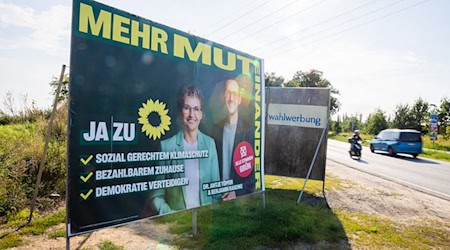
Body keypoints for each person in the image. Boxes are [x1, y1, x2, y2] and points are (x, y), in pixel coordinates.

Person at [149, 84, 220, 215]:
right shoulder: (166, 147)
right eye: (187, 108)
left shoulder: (210, 144)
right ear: (180, 112)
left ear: (202, 114)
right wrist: (172, 216)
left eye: (196, 109)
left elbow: (215, 190)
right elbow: (156, 196)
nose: (192, 114)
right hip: (177, 225)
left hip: (205, 220)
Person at [212, 77, 254, 201]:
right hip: (218, 196)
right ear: (222, 97)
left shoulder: (248, 131)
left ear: (240, 99)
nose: (231, 98)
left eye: (235, 94)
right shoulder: (215, 129)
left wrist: (237, 193)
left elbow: (253, 175)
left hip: (237, 199)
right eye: (227, 93)